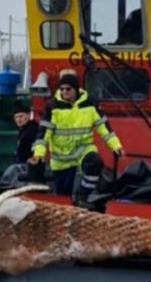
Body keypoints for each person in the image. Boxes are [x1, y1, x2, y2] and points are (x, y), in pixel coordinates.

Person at [35, 72, 122, 206]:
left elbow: (104, 127)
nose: (64, 92)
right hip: (61, 158)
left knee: (95, 162)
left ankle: (83, 195)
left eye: (68, 89)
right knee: (63, 198)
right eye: (62, 89)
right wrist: (38, 154)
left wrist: (116, 146)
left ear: (76, 89)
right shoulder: (52, 106)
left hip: (83, 150)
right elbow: (43, 133)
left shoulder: (90, 104)